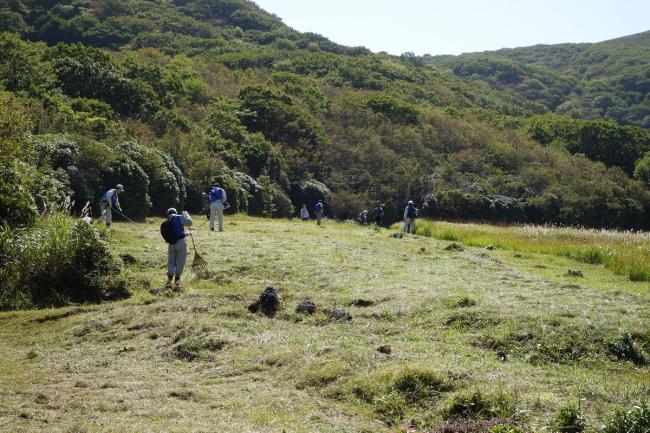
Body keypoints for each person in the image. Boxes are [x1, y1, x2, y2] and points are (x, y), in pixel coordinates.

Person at [164, 208, 192, 290]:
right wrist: (186, 215)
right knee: (180, 261)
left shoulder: (167, 221)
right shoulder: (179, 217)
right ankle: (177, 280)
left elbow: (176, 233)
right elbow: (189, 223)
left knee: (171, 261)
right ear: (175, 212)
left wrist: (186, 234)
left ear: (168, 213)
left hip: (171, 244)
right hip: (181, 243)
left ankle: (169, 279)